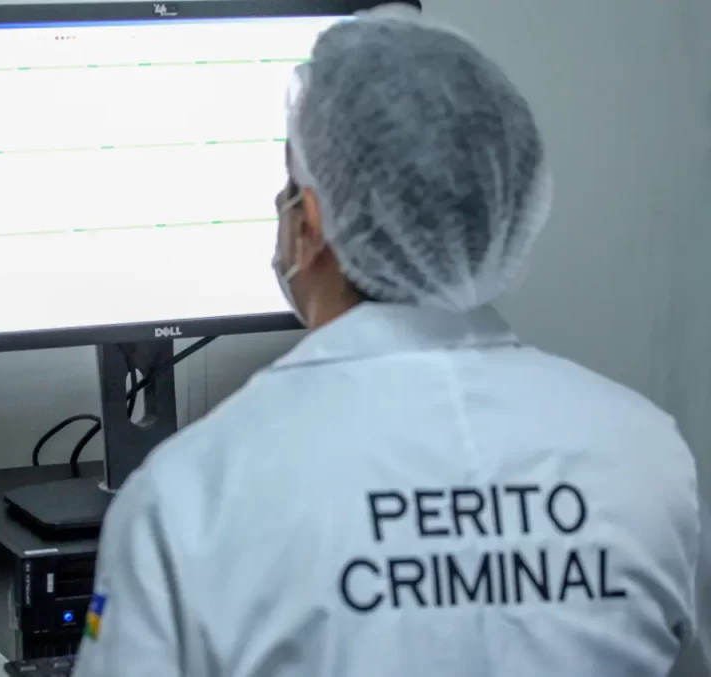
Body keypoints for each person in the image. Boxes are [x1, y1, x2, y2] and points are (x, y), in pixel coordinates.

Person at [73, 10, 710, 677]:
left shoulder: (192, 496)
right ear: (498, 208)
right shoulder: (650, 459)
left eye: (290, 186)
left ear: (310, 224)